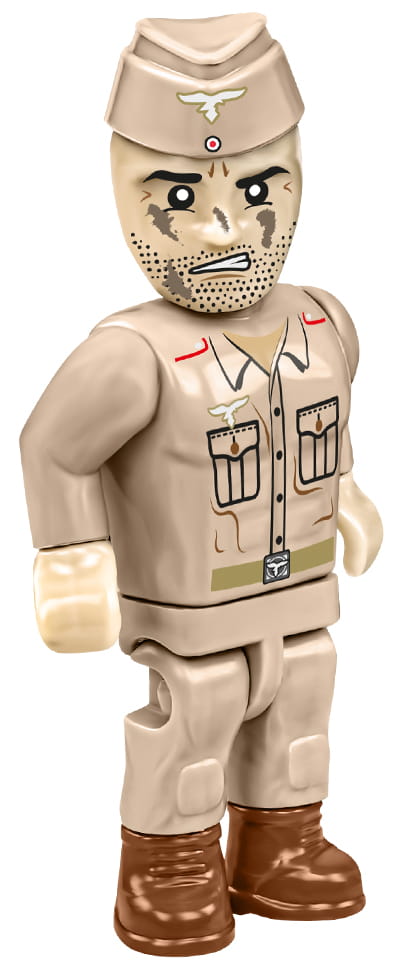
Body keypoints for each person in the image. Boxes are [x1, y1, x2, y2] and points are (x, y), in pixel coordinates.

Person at [20, 12, 383, 957]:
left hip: (298, 588)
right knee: (201, 707)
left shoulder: (326, 322)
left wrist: (345, 493)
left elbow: (324, 422)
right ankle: (171, 861)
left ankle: (280, 844)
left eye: (258, 187)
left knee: (304, 695)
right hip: (194, 606)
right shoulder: (129, 357)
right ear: (122, 191)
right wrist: (70, 560)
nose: (223, 226)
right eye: (178, 193)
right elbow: (53, 447)